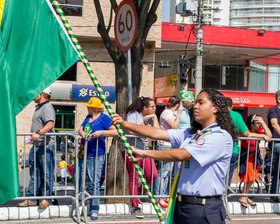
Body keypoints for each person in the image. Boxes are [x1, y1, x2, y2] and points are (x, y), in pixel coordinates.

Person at [112, 88, 236, 224]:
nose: (195, 106)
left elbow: (181, 154)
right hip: (182, 206)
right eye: (195, 102)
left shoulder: (219, 136)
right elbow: (157, 133)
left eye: (201, 103)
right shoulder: (191, 133)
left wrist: (146, 153)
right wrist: (124, 123)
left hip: (204, 208)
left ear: (215, 109)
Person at [78, 97, 118, 221]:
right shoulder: (87, 117)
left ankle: (94, 209)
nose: (87, 108)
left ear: (93, 107)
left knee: (94, 182)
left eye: (88, 106)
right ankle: (80, 203)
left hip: (97, 154)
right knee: (79, 179)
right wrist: (83, 135)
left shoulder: (104, 118)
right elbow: (80, 128)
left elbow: (115, 131)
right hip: (84, 152)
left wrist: (101, 133)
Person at [18, 87, 55, 209]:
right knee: (34, 173)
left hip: (46, 146)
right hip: (37, 146)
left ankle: (47, 198)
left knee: (47, 174)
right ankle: (32, 198)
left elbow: (50, 124)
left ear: (41, 94)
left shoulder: (47, 107)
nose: (33, 96)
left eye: (35, 93)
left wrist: (38, 133)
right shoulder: (39, 108)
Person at [124, 96, 159, 219]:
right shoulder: (133, 114)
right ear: (145, 108)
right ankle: (135, 206)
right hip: (131, 149)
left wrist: (154, 118)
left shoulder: (150, 117)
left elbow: (156, 134)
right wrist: (145, 127)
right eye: (152, 107)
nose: (155, 108)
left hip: (144, 150)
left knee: (152, 174)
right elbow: (132, 131)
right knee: (134, 177)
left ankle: (139, 194)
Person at [238, 114, 271, 208]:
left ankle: (245, 196)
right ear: (252, 125)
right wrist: (262, 136)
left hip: (255, 155)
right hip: (247, 155)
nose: (260, 126)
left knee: (253, 177)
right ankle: (243, 197)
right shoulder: (246, 128)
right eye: (258, 123)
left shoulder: (258, 130)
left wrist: (263, 122)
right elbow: (247, 134)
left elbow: (269, 135)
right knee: (249, 177)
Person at [155, 96, 182, 208]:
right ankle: (159, 196)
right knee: (163, 172)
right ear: (176, 105)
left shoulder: (170, 113)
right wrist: (179, 113)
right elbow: (174, 127)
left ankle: (162, 195)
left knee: (167, 172)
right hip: (164, 145)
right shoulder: (167, 113)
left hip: (169, 144)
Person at [267, 90, 280, 202]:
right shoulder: (273, 110)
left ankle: (275, 195)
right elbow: (274, 124)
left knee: (278, 170)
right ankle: (275, 194)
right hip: (277, 143)